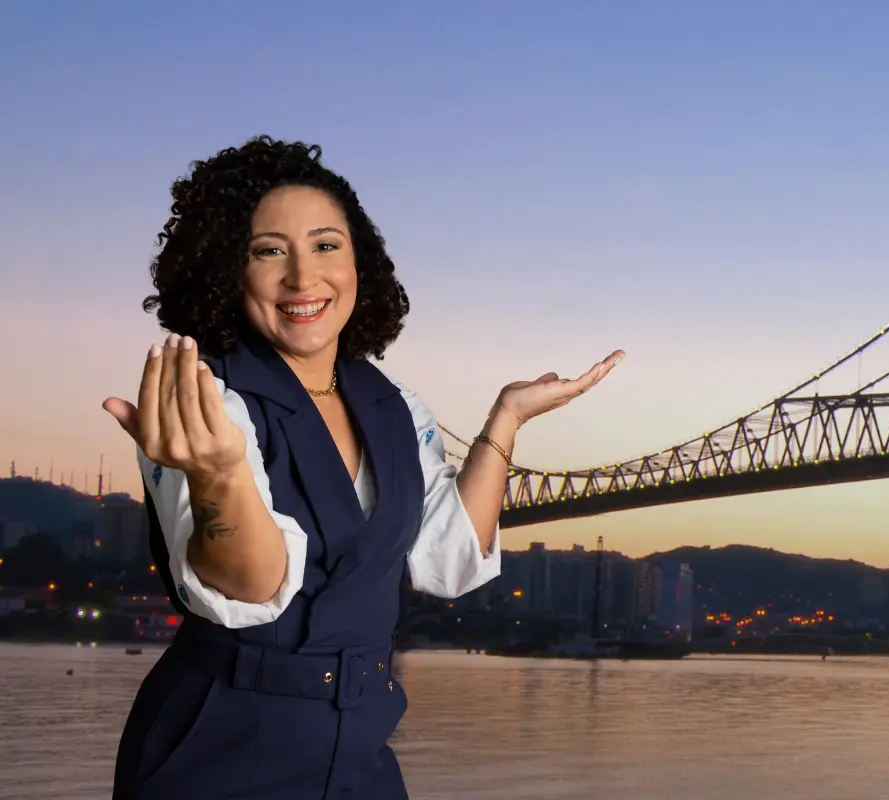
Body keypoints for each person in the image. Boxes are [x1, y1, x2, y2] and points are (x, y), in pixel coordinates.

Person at [100, 136, 623, 799]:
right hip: (219, 747)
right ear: (227, 271)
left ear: (360, 263)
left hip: (362, 750)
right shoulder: (204, 400)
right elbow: (253, 593)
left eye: (325, 246)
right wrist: (222, 473)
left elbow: (449, 561)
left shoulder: (395, 407)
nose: (302, 278)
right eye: (268, 252)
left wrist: (506, 421)